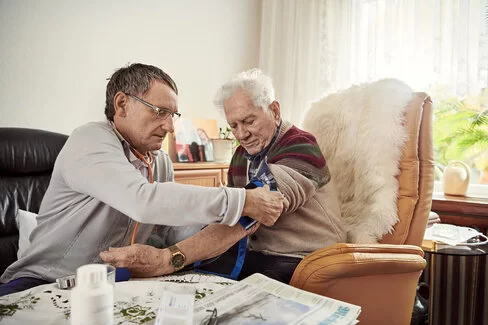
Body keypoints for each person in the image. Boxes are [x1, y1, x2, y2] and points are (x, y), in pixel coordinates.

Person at [0, 63, 285, 297]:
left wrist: (234, 228)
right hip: (44, 283)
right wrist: (243, 200)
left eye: (173, 115)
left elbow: (170, 232)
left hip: (114, 285)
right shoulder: (89, 139)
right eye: (160, 112)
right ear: (122, 104)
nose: (170, 127)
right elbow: (142, 201)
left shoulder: (158, 161)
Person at [100, 69, 346, 284]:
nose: (242, 134)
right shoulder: (241, 154)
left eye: (248, 121)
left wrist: (169, 258)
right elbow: (229, 216)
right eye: (233, 126)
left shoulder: (300, 146)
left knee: (247, 301)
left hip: (302, 257)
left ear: (274, 110)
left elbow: (254, 212)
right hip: (254, 252)